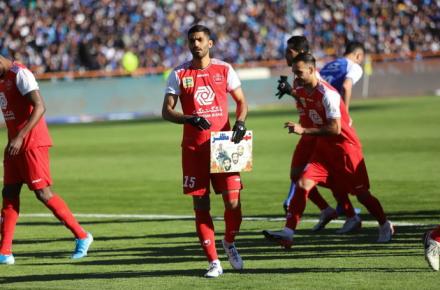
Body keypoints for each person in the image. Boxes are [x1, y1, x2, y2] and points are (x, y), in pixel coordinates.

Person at [263, 53, 394, 248]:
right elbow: (305, 98)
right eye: (293, 73)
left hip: (345, 149)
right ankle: (288, 233)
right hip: (323, 149)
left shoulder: (329, 94)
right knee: (302, 183)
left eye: (299, 73)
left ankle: (384, 224)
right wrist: (291, 91)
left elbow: (336, 129)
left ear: (311, 70)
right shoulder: (301, 87)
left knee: (362, 194)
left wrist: (303, 130)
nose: (296, 77)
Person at [162, 24, 248, 278]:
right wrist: (188, 118)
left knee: (233, 202)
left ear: (210, 43)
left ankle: (229, 241)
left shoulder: (224, 69)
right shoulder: (178, 74)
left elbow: (242, 102)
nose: (196, 44)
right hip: (194, 149)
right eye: (191, 41)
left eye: (200, 40)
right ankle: (213, 262)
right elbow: (167, 111)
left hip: (223, 145)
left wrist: (240, 122)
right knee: (201, 205)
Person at [0, 55, 93, 265]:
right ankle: (5, 252)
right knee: (9, 193)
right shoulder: (2, 79)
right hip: (14, 144)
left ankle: (82, 236)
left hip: (32, 143)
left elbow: (40, 106)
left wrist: (20, 136)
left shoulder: (20, 74)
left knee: (42, 193)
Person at [276, 36, 359, 234]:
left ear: (298, 53)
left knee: (315, 177)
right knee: (297, 176)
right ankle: (329, 210)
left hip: (315, 132)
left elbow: (319, 99)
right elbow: (306, 100)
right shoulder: (298, 77)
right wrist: (291, 92)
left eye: (289, 51)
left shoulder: (312, 76)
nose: (286, 55)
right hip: (306, 132)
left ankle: (349, 213)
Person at [319, 41, 365, 113]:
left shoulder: (328, 65)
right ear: (358, 56)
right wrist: (345, 112)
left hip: (317, 106)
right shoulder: (354, 66)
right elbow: (346, 86)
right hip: (332, 108)